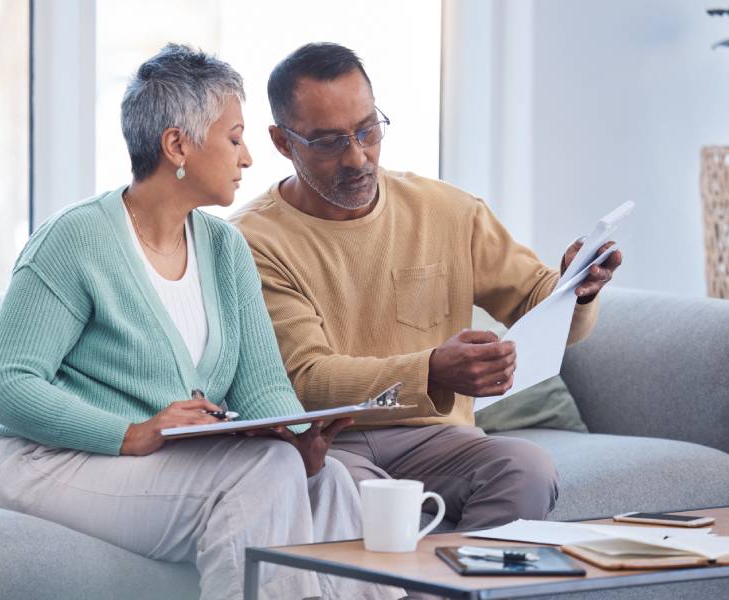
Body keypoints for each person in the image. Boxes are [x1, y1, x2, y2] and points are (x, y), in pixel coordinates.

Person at [0, 43, 400, 600]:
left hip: (155, 468)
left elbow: (262, 384)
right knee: (262, 473)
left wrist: (299, 438)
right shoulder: (74, 240)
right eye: (235, 138)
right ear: (178, 144)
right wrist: (131, 433)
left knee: (331, 481)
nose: (247, 159)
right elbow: (3, 384)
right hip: (43, 463)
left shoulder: (226, 250)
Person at [231, 42, 623, 530]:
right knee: (340, 495)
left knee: (528, 468)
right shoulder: (252, 241)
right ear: (283, 142)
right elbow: (308, 382)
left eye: (368, 130)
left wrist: (577, 289)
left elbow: (537, 303)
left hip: (439, 439)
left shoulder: (449, 211)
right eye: (330, 142)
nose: (357, 157)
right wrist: (432, 372)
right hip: (330, 443)